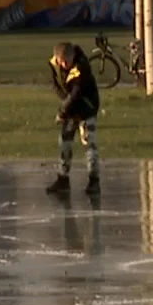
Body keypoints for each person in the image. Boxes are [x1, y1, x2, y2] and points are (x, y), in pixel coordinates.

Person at [45, 41, 100, 195]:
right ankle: (63, 179)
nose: (65, 65)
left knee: (89, 143)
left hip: (86, 107)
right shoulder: (54, 65)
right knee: (64, 143)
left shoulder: (82, 67)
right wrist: (65, 105)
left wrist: (64, 109)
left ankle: (94, 180)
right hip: (70, 107)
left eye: (67, 62)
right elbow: (56, 85)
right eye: (62, 62)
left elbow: (77, 92)